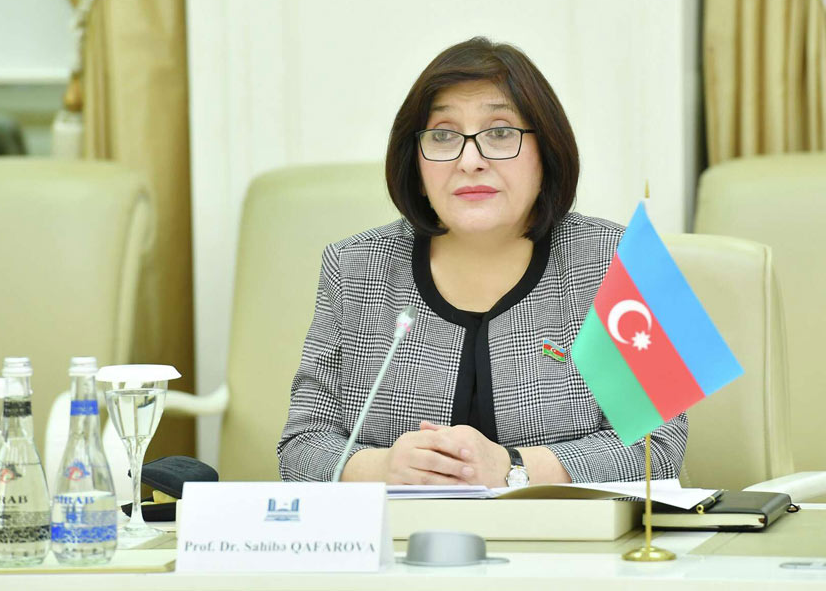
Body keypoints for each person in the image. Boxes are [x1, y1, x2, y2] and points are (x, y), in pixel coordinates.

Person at [278, 37, 687, 487]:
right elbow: (300, 447)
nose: (470, 161)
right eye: (442, 135)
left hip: (567, 532)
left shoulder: (620, 259)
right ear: (416, 164)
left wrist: (513, 468)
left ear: (546, 153)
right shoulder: (354, 268)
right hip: (402, 531)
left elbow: (660, 446)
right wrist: (383, 468)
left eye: (500, 132)